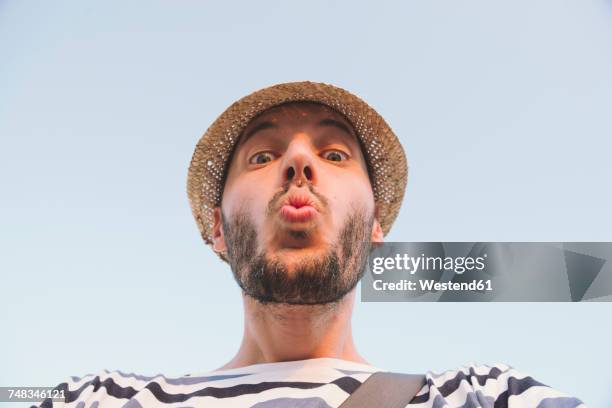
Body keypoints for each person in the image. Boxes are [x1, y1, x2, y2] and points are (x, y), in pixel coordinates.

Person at [37, 82, 584, 407]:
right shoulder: (101, 399)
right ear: (218, 229)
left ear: (376, 225)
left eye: (335, 154)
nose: (299, 164)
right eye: (261, 156)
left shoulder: (483, 396)